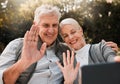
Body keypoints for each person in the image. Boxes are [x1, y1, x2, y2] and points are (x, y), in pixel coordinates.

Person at [0, 5, 74, 84]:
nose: (51, 30)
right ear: (35, 25)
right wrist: (23, 62)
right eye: (46, 25)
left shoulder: (66, 50)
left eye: (54, 25)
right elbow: (3, 80)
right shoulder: (16, 45)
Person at [57, 18, 120, 84]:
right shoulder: (67, 64)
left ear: (80, 30)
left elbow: (113, 61)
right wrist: (68, 82)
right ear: (64, 40)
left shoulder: (101, 48)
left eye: (73, 32)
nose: (70, 37)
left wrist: (116, 62)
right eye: (65, 36)